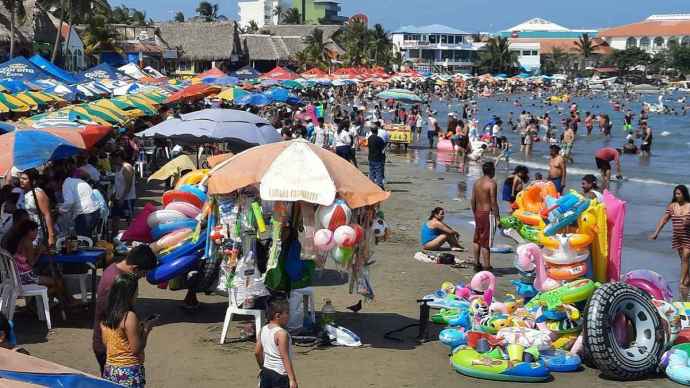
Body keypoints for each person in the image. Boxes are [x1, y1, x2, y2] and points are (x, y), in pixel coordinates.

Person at [93, 245, 157, 375]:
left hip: (109, 349)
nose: (143, 277)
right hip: (116, 356)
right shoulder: (116, 283)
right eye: (143, 273)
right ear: (135, 268)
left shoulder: (114, 270)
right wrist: (145, 329)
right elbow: (135, 348)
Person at [1, 219, 76, 306]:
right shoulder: (28, 242)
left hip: (18, 276)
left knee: (52, 276)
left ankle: (49, 302)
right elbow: (32, 263)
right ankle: (36, 300)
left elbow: (26, 255)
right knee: (59, 282)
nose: (36, 235)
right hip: (26, 277)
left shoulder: (21, 240)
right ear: (29, 232)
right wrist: (40, 251)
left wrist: (37, 250)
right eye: (35, 232)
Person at [100, 273, 155, 387]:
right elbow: (136, 349)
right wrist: (146, 329)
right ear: (129, 294)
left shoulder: (106, 314)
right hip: (128, 371)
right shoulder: (129, 316)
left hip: (110, 370)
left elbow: (106, 343)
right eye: (136, 291)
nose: (138, 294)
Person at [650, 185, 690, 299]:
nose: (677, 196)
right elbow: (664, 219)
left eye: (679, 194)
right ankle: (688, 278)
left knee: (686, 257)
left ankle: (682, 282)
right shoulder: (672, 206)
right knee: (683, 259)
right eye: (676, 194)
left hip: (688, 236)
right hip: (678, 237)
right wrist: (656, 233)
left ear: (684, 194)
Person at [255, 299, 298, 388]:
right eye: (287, 313)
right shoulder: (281, 334)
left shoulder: (263, 329)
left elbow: (257, 352)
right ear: (278, 316)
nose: (289, 316)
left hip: (266, 372)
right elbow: (284, 357)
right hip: (280, 374)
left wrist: (261, 367)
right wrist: (292, 379)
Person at [471, 162, 499, 271]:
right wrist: (498, 217)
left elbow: (473, 200)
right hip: (488, 214)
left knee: (477, 239)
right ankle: (487, 266)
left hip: (478, 212)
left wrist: (475, 213)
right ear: (492, 170)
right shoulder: (492, 183)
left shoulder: (477, 182)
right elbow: (493, 202)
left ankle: (476, 263)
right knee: (485, 242)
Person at [18, 169, 55, 247]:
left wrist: (51, 236)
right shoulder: (23, 193)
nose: (21, 180)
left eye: (25, 179)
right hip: (25, 232)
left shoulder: (38, 194)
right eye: (21, 178)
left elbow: (47, 214)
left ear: (33, 181)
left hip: (37, 232)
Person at [60, 174, 100, 238]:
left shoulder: (66, 184)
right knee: (87, 238)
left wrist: (61, 210)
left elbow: (69, 202)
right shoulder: (76, 181)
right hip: (95, 211)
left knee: (82, 239)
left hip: (86, 213)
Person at [111, 150, 136, 233]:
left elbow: (128, 185)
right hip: (118, 197)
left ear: (119, 158)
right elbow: (118, 183)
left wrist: (123, 198)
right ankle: (114, 236)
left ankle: (131, 236)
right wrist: (114, 194)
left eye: (113, 159)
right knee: (115, 217)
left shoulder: (127, 168)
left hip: (127, 198)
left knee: (128, 219)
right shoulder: (118, 167)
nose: (112, 161)